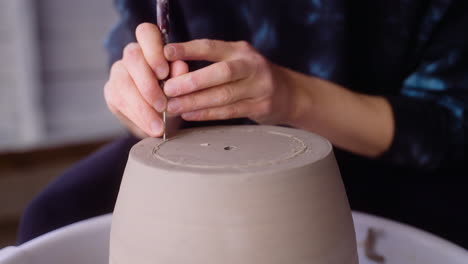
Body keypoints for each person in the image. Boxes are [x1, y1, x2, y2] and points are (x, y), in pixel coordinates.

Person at [18, 0, 468, 248]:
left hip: (374, 144)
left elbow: (446, 124)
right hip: (202, 141)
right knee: (54, 215)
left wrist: (293, 97)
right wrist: (141, 98)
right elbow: (140, 43)